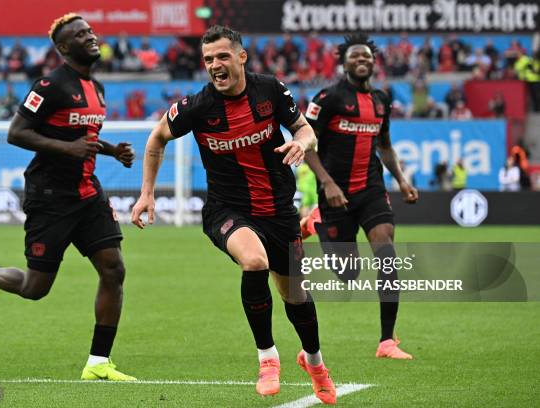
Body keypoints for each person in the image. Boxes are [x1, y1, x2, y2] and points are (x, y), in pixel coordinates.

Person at [131, 25, 336, 404]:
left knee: (295, 296)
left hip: (277, 210)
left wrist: (301, 143)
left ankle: (315, 363)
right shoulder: (197, 107)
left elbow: (306, 131)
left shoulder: (270, 90)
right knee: (254, 261)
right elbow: (156, 137)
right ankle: (267, 359)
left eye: (222, 56)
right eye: (208, 59)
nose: (214, 65)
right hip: (226, 209)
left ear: (241, 57)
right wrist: (147, 194)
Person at [0, 13, 136, 381]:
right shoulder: (49, 86)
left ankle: (98, 363)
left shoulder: (97, 88)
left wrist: (112, 151)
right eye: (80, 34)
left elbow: (83, 138)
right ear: (64, 48)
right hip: (50, 197)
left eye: (91, 31)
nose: (91, 36)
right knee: (36, 289)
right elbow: (16, 133)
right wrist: (68, 150)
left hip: (87, 192)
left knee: (114, 269)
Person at [301, 33, 419, 360]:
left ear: (374, 61)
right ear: (344, 62)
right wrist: (327, 183)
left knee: (386, 252)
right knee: (348, 273)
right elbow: (306, 144)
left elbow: (385, 146)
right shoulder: (329, 98)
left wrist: (402, 181)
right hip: (335, 194)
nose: (362, 60)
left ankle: (387, 341)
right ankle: (316, 221)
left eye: (366, 56)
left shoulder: (381, 100)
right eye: (355, 56)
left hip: (371, 189)